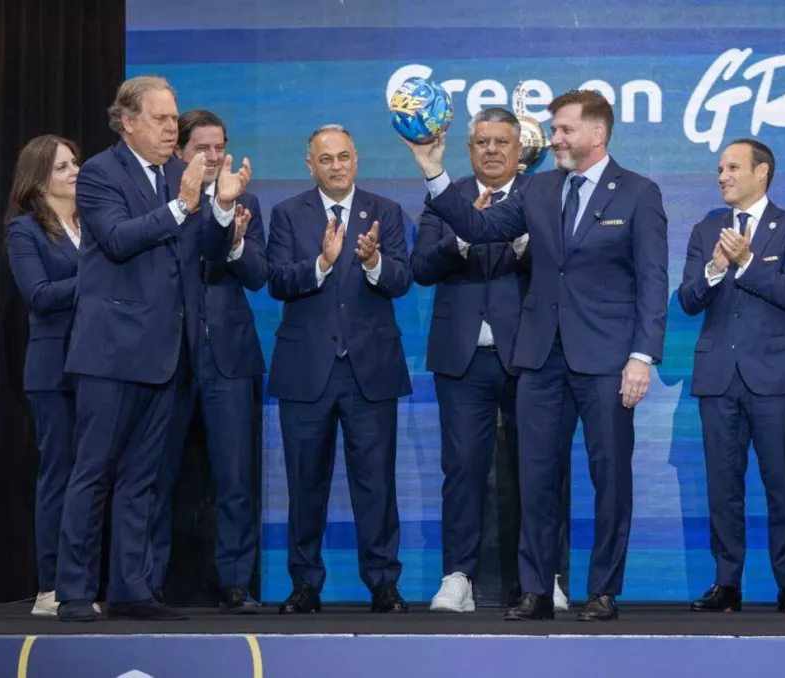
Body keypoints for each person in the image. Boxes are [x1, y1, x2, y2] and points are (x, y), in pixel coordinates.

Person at [405, 90, 669, 621]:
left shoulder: (639, 192)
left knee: (609, 476)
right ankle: (534, 589)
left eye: (565, 130)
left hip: (606, 358)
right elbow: (478, 228)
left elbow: (653, 280)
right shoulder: (540, 189)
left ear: (597, 133)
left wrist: (642, 356)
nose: (554, 139)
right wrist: (434, 172)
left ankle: (602, 590)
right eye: (554, 130)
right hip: (540, 357)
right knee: (536, 475)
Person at [55, 75, 250, 621]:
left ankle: (130, 589)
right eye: (163, 119)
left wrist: (219, 208)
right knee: (93, 472)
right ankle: (73, 591)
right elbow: (118, 239)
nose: (173, 127)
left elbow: (206, 253)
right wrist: (184, 205)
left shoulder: (176, 176)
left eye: (174, 117)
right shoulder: (99, 173)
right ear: (128, 122)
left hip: (169, 353)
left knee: (144, 478)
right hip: (112, 353)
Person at [411, 107, 569, 612]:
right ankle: (458, 576)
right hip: (461, 360)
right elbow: (419, 267)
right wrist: (463, 236)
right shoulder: (447, 198)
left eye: (503, 141)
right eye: (483, 142)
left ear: (519, 149)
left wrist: (523, 240)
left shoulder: (542, 196)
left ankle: (547, 578)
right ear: (469, 148)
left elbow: (564, 265)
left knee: (542, 468)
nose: (493, 150)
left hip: (528, 356)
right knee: (461, 469)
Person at [267, 124, 412, 614]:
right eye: (325, 159)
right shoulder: (287, 214)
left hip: (370, 371)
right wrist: (322, 264)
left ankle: (383, 583)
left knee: (376, 484)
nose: (335, 166)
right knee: (304, 484)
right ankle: (305, 584)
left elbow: (402, 279)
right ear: (310, 165)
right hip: (307, 371)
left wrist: (372, 262)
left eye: (343, 156)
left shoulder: (386, 213)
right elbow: (278, 281)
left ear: (356, 160)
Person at [678, 138, 785, 613]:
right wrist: (716, 268)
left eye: (733, 167)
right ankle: (726, 583)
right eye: (720, 168)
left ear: (762, 173)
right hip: (719, 377)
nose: (722, 176)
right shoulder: (706, 229)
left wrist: (746, 262)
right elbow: (688, 299)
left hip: (776, 378)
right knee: (723, 485)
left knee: (781, 484)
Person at [149, 109, 266, 613]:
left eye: (219, 146)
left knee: (236, 478)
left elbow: (260, 274)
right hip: (166, 355)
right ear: (179, 151)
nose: (213, 156)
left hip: (230, 356)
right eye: (202, 147)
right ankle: (146, 580)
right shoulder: (163, 200)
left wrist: (235, 240)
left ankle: (235, 581)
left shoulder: (248, 201)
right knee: (152, 475)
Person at [4, 135, 98, 618]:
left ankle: (82, 582)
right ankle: (51, 585)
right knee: (58, 477)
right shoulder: (25, 232)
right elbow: (39, 295)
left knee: (93, 478)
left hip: (98, 367)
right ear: (40, 178)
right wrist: (98, 281)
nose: (76, 172)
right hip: (52, 370)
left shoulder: (93, 225)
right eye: (64, 167)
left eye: (76, 163)